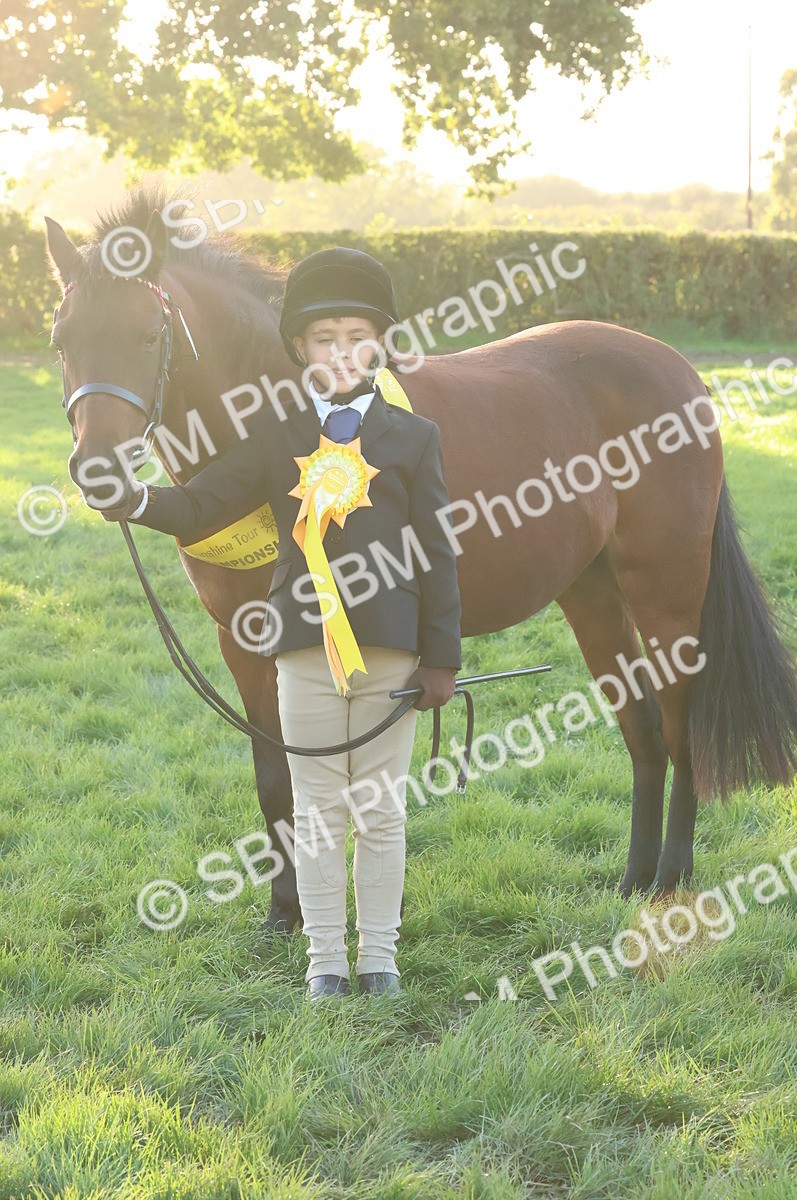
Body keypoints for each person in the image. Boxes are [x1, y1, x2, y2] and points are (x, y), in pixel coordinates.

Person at [104, 246, 462, 1003]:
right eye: (324, 339)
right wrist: (133, 499)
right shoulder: (275, 438)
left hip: (390, 652)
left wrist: (441, 661)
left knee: (381, 813)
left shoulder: (415, 438)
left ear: (380, 345)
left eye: (357, 338)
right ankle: (325, 962)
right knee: (317, 813)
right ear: (299, 347)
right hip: (300, 649)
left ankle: (381, 960)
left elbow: (437, 557)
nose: (341, 353)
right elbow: (202, 504)